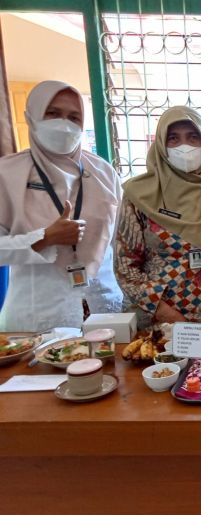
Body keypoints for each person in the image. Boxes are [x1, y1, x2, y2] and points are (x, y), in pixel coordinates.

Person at [0, 80, 122, 332]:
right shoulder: (8, 174)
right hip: (39, 315)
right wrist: (44, 238)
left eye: (73, 117)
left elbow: (118, 241)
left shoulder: (103, 173)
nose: (64, 125)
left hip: (103, 307)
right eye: (53, 113)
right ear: (32, 116)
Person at [115, 106, 201, 330]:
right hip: (160, 323)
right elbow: (125, 266)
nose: (184, 146)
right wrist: (167, 314)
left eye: (193, 137)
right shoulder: (140, 194)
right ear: (161, 145)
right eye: (173, 138)